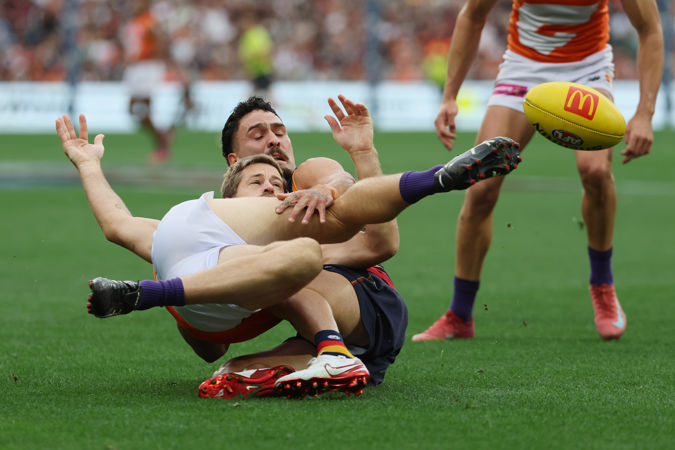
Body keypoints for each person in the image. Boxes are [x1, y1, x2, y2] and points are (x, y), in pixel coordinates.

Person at [56, 104, 521, 397]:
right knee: (227, 372)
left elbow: (377, 237)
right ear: (234, 162)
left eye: (279, 130)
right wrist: (88, 164)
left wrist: (341, 176)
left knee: (297, 258)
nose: (274, 139)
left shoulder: (303, 178)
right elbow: (210, 346)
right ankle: (335, 360)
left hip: (362, 297)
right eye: (258, 134)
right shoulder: (214, 221)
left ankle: (436, 178)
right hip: (330, 327)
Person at [413, 0, 663, 342]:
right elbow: (472, 15)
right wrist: (449, 95)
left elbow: (649, 29)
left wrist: (645, 114)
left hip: (587, 68)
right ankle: (459, 315)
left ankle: (603, 286)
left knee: (594, 171)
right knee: (481, 187)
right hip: (524, 67)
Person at [121, 0, 173, 164]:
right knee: (132, 109)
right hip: (135, 68)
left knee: (144, 107)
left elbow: (160, 40)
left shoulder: (149, 21)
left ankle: (162, 146)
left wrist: (154, 56)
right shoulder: (135, 22)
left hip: (146, 67)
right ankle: (162, 134)